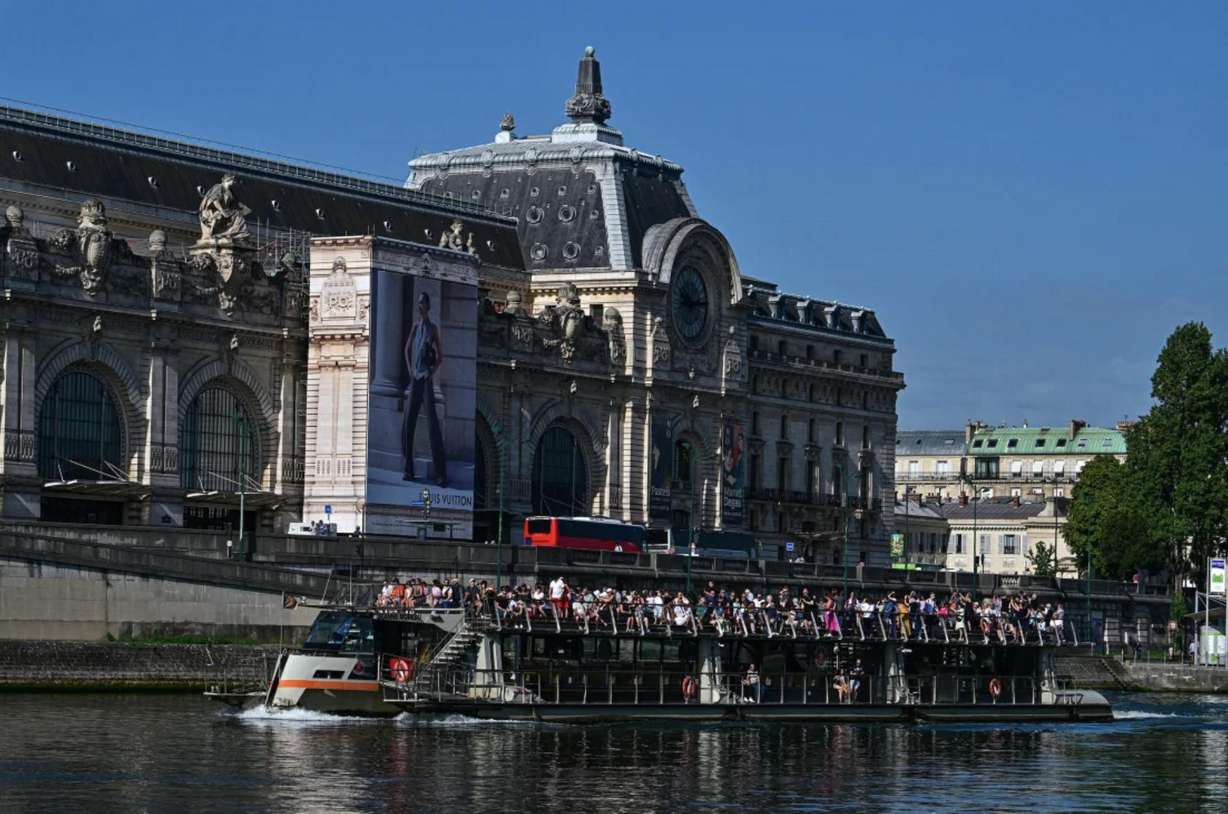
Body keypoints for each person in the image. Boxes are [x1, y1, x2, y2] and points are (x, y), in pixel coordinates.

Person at [402, 291, 448, 486]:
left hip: (426, 380)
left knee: (433, 426)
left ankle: (440, 473)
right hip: (415, 380)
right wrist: (410, 369)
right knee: (408, 424)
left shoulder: (432, 328)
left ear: (428, 306)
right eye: (418, 303)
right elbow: (407, 349)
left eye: (422, 303)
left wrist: (431, 372)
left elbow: (440, 357)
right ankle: (408, 469)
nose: (419, 306)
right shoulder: (415, 326)